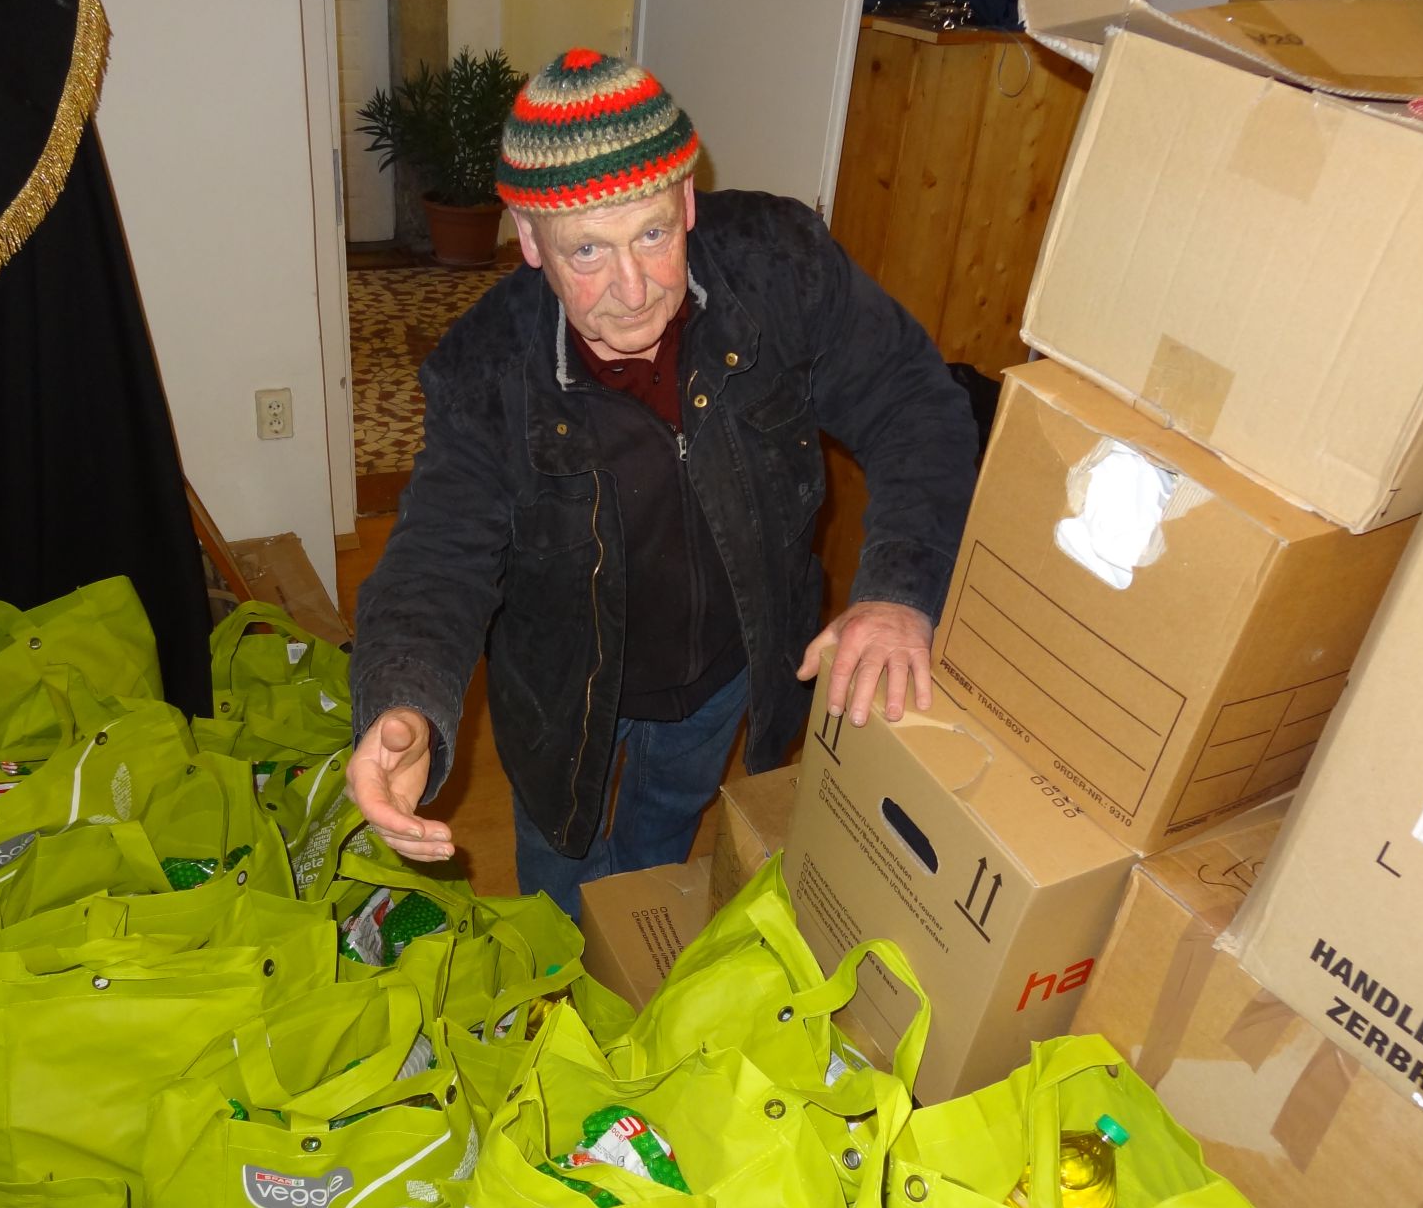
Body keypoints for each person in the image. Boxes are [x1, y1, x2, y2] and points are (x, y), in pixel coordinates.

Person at [347, 48, 977, 916]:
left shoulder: (781, 264)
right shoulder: (483, 371)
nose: (634, 289)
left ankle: (636, 936)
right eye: (587, 251)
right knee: (559, 870)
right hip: (560, 697)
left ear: (685, 201)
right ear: (527, 240)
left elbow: (912, 403)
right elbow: (436, 556)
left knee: (661, 842)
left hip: (723, 672)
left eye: (651, 234)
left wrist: (899, 592)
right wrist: (406, 700)